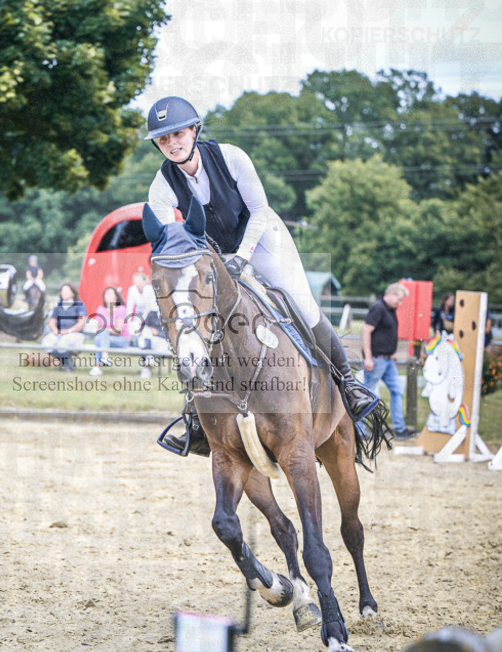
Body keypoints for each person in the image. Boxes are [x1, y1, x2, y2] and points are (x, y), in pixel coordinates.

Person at [144, 95, 380, 454]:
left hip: (264, 242)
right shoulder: (161, 187)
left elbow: (260, 211)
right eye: (163, 140)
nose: (172, 144)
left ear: (194, 130)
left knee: (302, 305)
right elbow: (171, 242)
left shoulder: (232, 157)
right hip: (217, 257)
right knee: (195, 324)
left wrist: (242, 257)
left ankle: (349, 385)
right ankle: (195, 417)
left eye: (178, 134)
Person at [361, 283, 415, 439]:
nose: (400, 303)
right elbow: (366, 331)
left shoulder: (390, 309)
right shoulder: (378, 308)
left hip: (387, 360)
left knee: (397, 390)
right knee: (368, 394)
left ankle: (400, 429)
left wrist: (390, 352)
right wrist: (368, 357)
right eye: (399, 299)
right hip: (376, 359)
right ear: (391, 293)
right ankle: (359, 430)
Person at [40, 282, 87, 371]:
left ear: (72, 293)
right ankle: (68, 363)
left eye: (66, 291)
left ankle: (66, 365)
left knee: (63, 344)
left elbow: (81, 323)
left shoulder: (79, 305)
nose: (63, 293)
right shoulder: (58, 305)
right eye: (62, 290)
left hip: (74, 334)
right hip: (59, 333)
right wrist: (55, 330)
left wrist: (68, 331)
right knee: (47, 342)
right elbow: (52, 320)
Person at [89, 287, 130, 375]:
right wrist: (104, 331)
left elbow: (118, 330)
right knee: (98, 338)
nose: (107, 295)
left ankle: (99, 364)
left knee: (101, 335)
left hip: (121, 339)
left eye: (110, 293)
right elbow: (98, 329)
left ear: (116, 297)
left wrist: (105, 330)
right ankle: (103, 360)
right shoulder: (100, 309)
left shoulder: (121, 309)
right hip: (105, 340)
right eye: (106, 293)